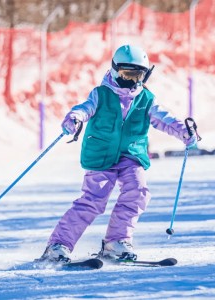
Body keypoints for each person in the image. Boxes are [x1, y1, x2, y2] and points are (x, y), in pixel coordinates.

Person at [36, 45, 197, 263]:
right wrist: (74, 118)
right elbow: (85, 109)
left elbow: (163, 118)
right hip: (101, 156)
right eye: (125, 74)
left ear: (145, 75)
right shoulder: (101, 94)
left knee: (138, 192)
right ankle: (58, 245)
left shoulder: (146, 99)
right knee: (94, 199)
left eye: (136, 76)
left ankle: (116, 241)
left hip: (131, 155)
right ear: (114, 70)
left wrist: (183, 131)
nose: (130, 81)